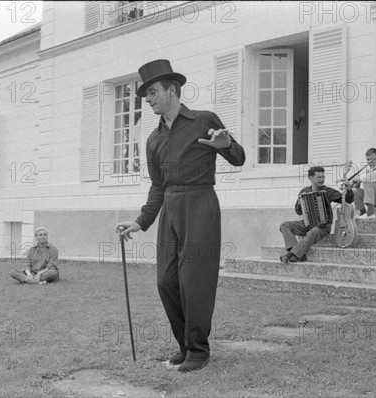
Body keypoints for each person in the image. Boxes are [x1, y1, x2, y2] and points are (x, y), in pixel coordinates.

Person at [115, 59, 245, 372]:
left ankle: (198, 351)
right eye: (145, 94)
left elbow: (238, 157)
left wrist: (226, 146)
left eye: (152, 92)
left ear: (172, 90)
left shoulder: (203, 120)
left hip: (200, 204)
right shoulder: (153, 139)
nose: (147, 99)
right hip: (170, 209)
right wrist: (140, 221)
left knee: (194, 281)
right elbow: (158, 187)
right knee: (166, 281)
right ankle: (185, 345)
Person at [279, 166, 354, 263]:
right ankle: (297, 253)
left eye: (323, 177)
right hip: (306, 224)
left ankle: (291, 254)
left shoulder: (328, 191)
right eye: (319, 177)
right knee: (284, 225)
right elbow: (299, 212)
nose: (322, 179)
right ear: (310, 178)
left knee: (314, 231)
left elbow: (346, 200)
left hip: (322, 227)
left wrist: (348, 190)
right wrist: (299, 203)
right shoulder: (304, 191)